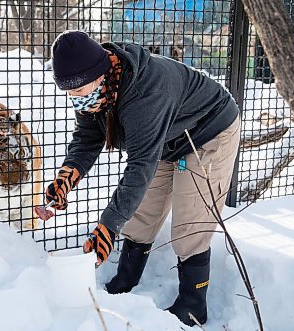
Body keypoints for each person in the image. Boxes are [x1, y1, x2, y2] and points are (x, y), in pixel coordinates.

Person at [44, 30, 240, 327]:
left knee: (190, 221)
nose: (76, 99)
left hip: (207, 131)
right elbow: (87, 139)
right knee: (141, 212)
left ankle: (192, 304)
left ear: (100, 74)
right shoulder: (97, 89)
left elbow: (139, 167)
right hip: (165, 137)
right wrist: (66, 178)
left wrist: (107, 228)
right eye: (70, 93)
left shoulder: (146, 91)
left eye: (80, 92)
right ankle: (126, 279)